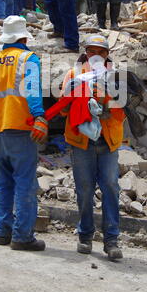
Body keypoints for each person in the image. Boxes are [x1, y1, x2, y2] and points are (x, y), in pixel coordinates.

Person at [0, 15, 48, 251]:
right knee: (25, 184)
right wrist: (39, 117)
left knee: (2, 183)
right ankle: (22, 236)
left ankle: (2, 232)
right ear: (25, 36)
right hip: (20, 129)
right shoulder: (28, 58)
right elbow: (33, 90)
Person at [61, 34, 126, 261]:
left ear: (107, 55)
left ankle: (112, 241)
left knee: (110, 187)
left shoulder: (117, 78)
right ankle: (85, 236)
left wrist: (105, 103)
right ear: (85, 53)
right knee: (85, 189)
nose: (96, 55)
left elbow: (122, 112)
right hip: (81, 142)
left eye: (101, 52)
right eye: (91, 51)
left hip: (107, 142)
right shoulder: (73, 75)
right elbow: (63, 109)